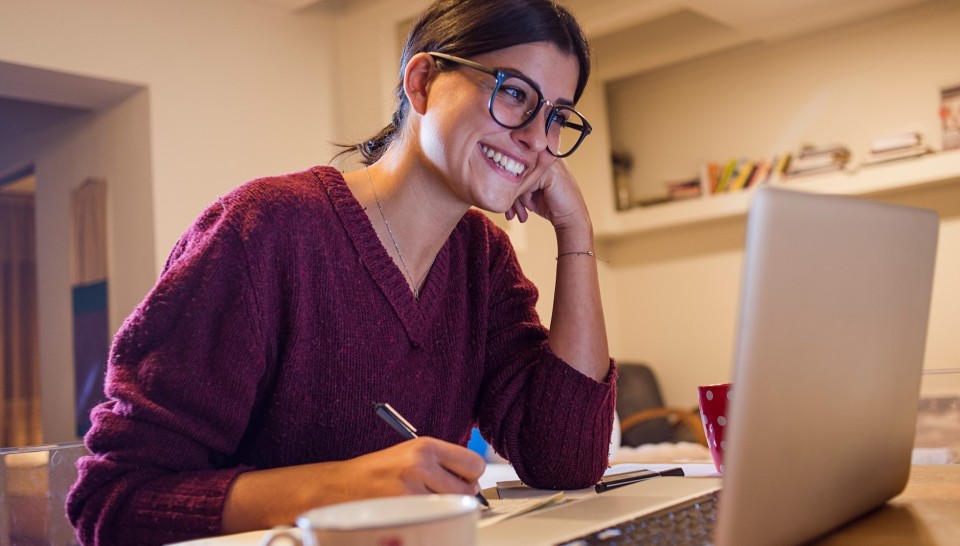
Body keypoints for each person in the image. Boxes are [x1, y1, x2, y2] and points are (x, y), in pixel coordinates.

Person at [67, 0, 615, 544]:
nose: (538, 141)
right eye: (515, 93)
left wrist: (575, 235)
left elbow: (565, 459)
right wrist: (340, 489)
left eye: (556, 118)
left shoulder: (484, 262)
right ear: (422, 82)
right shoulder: (265, 229)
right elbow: (114, 501)